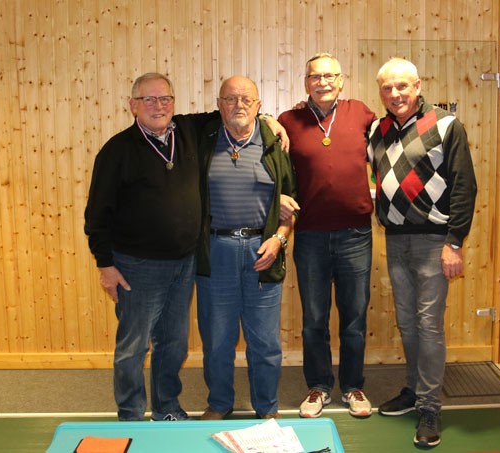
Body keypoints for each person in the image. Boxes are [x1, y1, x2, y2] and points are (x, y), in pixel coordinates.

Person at [84, 73, 288, 422]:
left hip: (184, 263)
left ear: (173, 103)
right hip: (137, 266)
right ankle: (131, 414)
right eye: (148, 100)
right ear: (133, 105)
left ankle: (166, 408)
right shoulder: (117, 150)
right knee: (133, 346)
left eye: (165, 99)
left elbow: (236, 109)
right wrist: (106, 265)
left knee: (173, 343)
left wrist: (270, 119)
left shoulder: (189, 132)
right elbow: (96, 214)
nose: (158, 106)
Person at [368, 58, 477, 447]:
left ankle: (430, 407)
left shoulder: (446, 125)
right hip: (395, 240)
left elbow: (464, 186)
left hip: (435, 242)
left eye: (402, 86)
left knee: (429, 325)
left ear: (418, 86)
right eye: (387, 88)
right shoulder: (377, 131)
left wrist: (454, 243)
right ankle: (414, 390)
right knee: (407, 322)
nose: (395, 94)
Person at [277, 53, 377, 418]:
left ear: (341, 79)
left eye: (329, 76)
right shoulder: (288, 121)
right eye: (315, 77)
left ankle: (353, 387)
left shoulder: (361, 112)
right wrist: (266, 119)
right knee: (314, 320)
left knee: (354, 318)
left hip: (355, 235)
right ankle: (318, 387)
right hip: (310, 237)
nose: (322, 82)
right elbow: (270, 158)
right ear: (306, 82)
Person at [195, 76, 297, 420]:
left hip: (262, 251)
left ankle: (266, 409)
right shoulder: (204, 140)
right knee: (217, 340)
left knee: (265, 342)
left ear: (258, 105)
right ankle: (219, 404)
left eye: (246, 100)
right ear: (219, 104)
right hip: (216, 252)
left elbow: (292, 204)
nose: (238, 105)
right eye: (230, 99)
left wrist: (278, 239)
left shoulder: (273, 144)